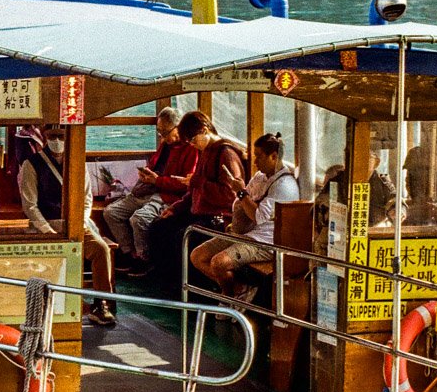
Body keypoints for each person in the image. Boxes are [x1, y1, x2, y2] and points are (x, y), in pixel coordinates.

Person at [18, 125, 116, 326]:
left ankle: (101, 304)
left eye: (61, 136)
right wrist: (48, 230)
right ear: (45, 137)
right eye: (53, 136)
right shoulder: (31, 164)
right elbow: (30, 205)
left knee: (101, 249)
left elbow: (86, 199)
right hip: (45, 227)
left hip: (76, 225)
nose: (57, 141)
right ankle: (42, 305)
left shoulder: (77, 161)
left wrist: (80, 222)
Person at [143, 111, 246, 292]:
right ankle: (165, 279)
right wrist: (175, 208)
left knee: (182, 237)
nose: (192, 144)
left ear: (205, 130)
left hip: (217, 217)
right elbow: (193, 191)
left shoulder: (226, 154)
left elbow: (230, 196)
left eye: (192, 139)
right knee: (158, 228)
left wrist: (199, 182)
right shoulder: (205, 151)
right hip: (198, 212)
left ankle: (192, 287)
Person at [199, 132, 302, 294]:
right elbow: (241, 203)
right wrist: (242, 195)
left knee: (219, 263)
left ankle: (230, 297)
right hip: (247, 233)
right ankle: (238, 289)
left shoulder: (284, 185)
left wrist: (241, 193)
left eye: (259, 156)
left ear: (274, 157)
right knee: (198, 256)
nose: (255, 161)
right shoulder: (260, 177)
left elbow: (257, 216)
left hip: (266, 242)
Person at [103, 107, 197, 278]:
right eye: (160, 132)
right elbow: (154, 165)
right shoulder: (165, 145)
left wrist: (157, 180)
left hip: (167, 196)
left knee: (139, 218)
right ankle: (129, 253)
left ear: (178, 127)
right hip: (149, 190)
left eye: (165, 132)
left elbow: (186, 185)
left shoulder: (191, 149)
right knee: (111, 212)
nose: (162, 137)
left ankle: (145, 259)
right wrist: (146, 174)